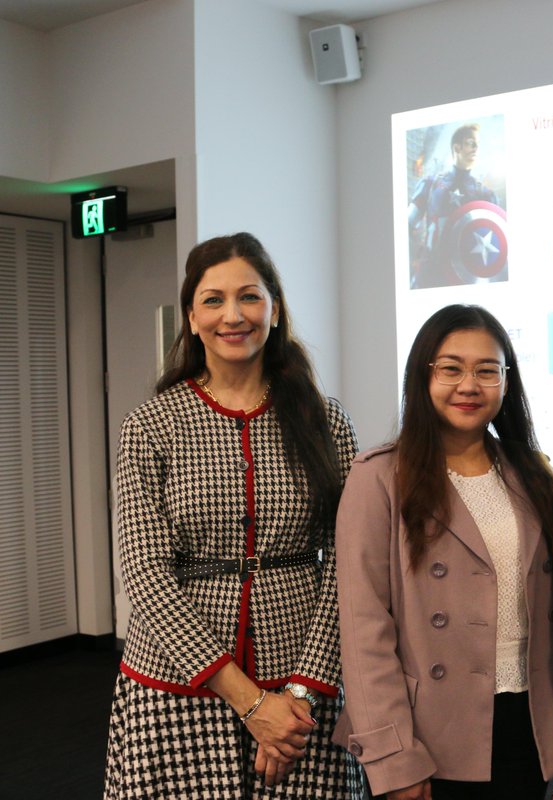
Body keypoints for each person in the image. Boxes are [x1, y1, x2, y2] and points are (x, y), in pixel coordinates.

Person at [104, 233, 362, 797]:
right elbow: (145, 575)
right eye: (214, 300)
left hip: (301, 686)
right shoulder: (151, 425)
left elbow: (352, 565)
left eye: (249, 296)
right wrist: (250, 704)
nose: (233, 315)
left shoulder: (326, 421)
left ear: (274, 308)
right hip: (178, 684)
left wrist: (296, 697)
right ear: (192, 317)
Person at [334, 304, 553, 800]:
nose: (469, 385)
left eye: (487, 370)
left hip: (532, 728)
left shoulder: (533, 471)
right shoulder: (379, 475)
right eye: (451, 368)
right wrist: (394, 759)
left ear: (506, 382)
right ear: (422, 374)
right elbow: (365, 630)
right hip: (431, 738)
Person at [408, 123, 502, 289]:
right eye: (471, 143)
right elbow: (408, 222)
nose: (475, 149)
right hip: (430, 273)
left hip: (468, 276)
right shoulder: (430, 183)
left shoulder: (485, 193)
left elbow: (497, 238)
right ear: (457, 147)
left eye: (477, 145)